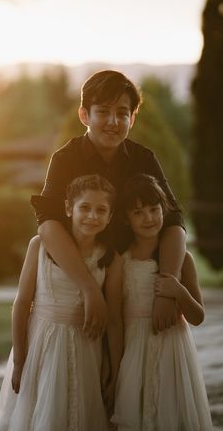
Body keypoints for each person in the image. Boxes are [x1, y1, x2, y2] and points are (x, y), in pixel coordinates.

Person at [31, 69, 187, 344]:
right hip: (81, 276)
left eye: (122, 113)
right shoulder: (65, 159)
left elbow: (174, 221)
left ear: (132, 118)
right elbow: (48, 223)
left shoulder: (144, 158)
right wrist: (90, 289)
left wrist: (167, 288)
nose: (113, 122)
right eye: (103, 112)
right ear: (84, 115)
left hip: (132, 282)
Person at [0, 174, 124, 431]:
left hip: (87, 351)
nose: (92, 216)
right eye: (84, 207)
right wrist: (19, 361)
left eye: (101, 210)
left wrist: (114, 373)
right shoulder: (40, 246)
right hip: (44, 348)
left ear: (110, 215)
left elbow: (114, 319)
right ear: (68, 208)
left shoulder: (111, 258)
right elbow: (22, 304)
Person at [112, 174, 213, 431]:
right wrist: (114, 364)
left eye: (154, 209)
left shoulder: (183, 260)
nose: (148, 218)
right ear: (125, 218)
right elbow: (116, 317)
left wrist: (178, 291)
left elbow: (198, 316)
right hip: (133, 355)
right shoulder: (121, 260)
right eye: (138, 212)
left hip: (172, 355)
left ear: (164, 208)